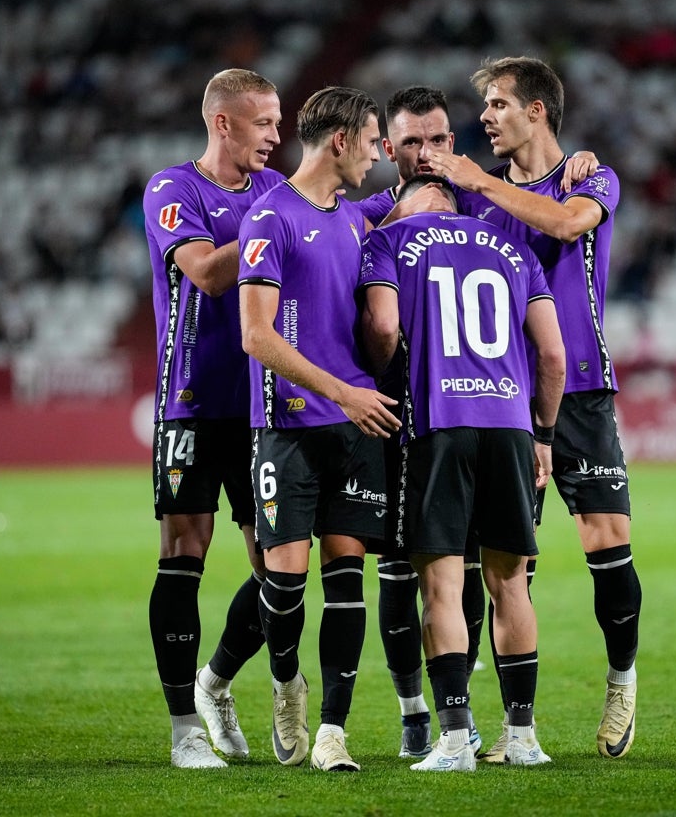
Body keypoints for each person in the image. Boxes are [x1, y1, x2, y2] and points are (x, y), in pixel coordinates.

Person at [428, 55, 643, 761]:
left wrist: (480, 181)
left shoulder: (592, 178)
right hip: (506, 397)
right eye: (485, 106)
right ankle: (513, 727)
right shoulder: (474, 199)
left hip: (579, 388)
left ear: (536, 111)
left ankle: (621, 680)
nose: (485, 117)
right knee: (507, 567)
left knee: (604, 542)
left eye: (496, 104)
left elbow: (564, 225)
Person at [361, 174, 566, 770]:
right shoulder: (513, 249)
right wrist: (544, 434)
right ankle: (523, 736)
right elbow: (551, 355)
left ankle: (453, 738)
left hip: (439, 423)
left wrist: (386, 376)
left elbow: (382, 327)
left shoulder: (391, 241)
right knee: (510, 584)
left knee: (442, 586)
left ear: (407, 206)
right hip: (509, 425)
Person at [236, 85, 401, 772]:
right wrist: (341, 391)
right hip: (289, 426)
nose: (377, 155)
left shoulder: (356, 217)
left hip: (353, 428)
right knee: (284, 588)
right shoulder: (268, 218)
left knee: (345, 580)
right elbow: (255, 335)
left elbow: (417, 188)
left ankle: (334, 730)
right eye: (371, 142)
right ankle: (285, 687)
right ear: (340, 141)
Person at [141, 68, 284, 769]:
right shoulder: (174, 189)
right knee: (182, 558)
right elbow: (205, 272)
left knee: (280, 572)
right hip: (192, 403)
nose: (277, 136)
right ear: (224, 123)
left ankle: (215, 683)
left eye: (282, 123)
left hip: (262, 406)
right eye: (265, 123)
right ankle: (183, 731)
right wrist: (277, 219)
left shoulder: (273, 191)